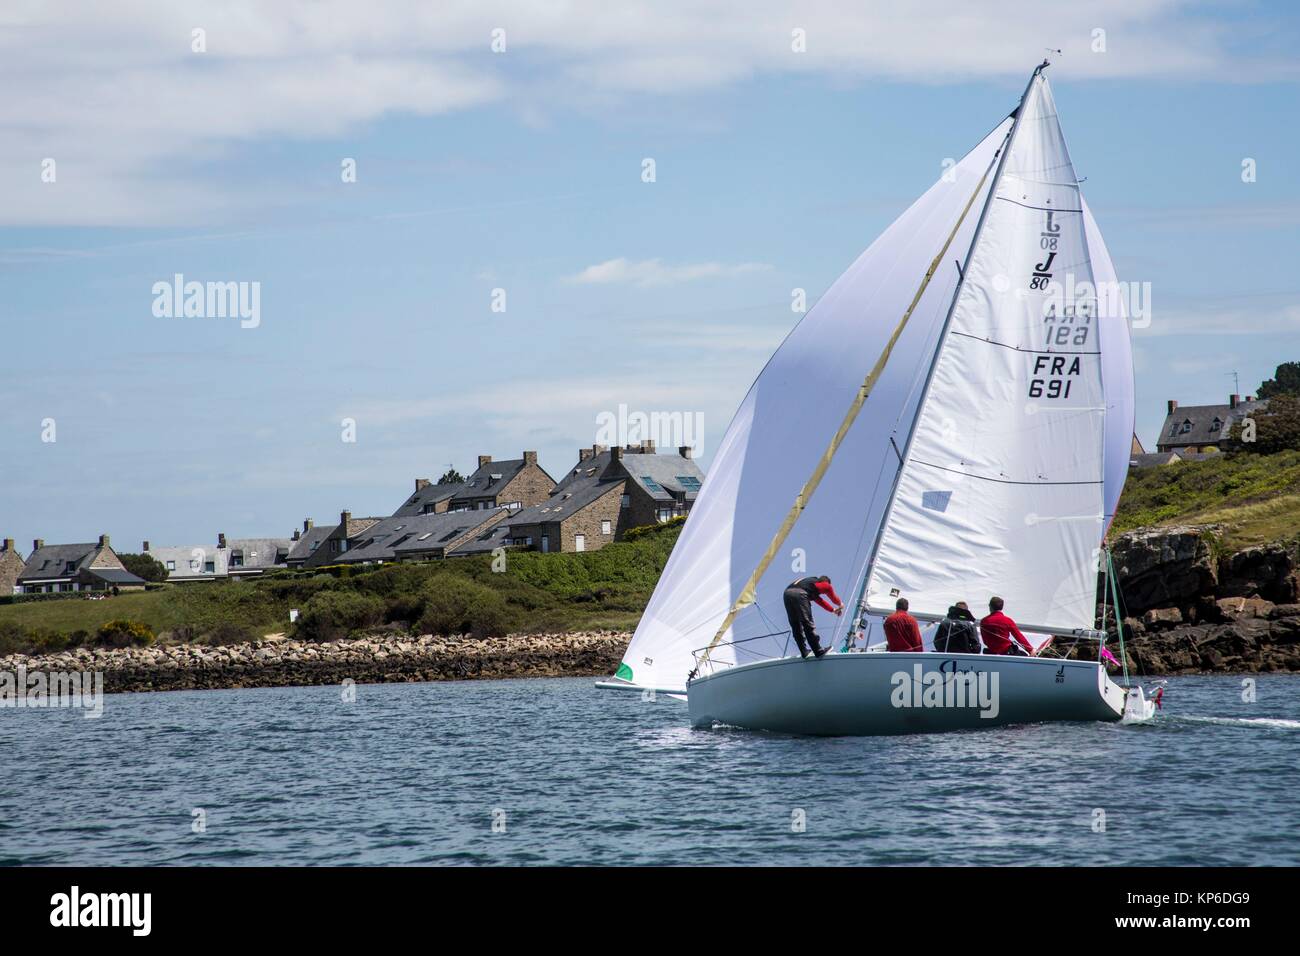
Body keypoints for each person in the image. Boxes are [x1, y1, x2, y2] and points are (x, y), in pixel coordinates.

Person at [783, 575, 842, 658]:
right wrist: (840, 603)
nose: (823, 593)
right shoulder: (821, 582)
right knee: (807, 622)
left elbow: (820, 601)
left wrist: (833, 610)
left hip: (787, 594)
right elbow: (829, 589)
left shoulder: (809, 584)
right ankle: (818, 651)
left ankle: (804, 651)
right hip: (800, 594)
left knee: (796, 625)